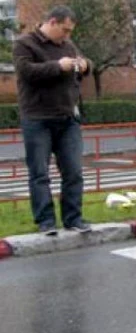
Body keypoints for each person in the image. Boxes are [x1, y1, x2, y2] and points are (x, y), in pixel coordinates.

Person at [12, 5, 93, 236]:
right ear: (53, 22)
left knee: (74, 171)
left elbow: (83, 63)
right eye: (65, 30)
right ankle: (46, 221)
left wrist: (85, 66)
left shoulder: (67, 45)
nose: (67, 36)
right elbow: (26, 72)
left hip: (67, 118)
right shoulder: (25, 43)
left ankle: (73, 218)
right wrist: (58, 66)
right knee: (39, 172)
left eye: (70, 32)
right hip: (37, 118)